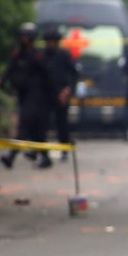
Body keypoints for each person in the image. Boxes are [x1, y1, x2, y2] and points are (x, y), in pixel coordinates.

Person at [0, 22, 54, 169]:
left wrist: (52, 96)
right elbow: (9, 70)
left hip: (37, 97)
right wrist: (0, 82)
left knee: (24, 127)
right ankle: (45, 157)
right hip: (23, 95)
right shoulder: (18, 54)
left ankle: (11, 157)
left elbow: (48, 76)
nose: (23, 39)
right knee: (36, 131)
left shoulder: (38, 55)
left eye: (25, 36)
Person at [41, 28, 79, 161]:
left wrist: (68, 90)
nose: (51, 44)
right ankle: (42, 152)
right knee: (43, 124)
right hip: (46, 94)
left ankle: (64, 150)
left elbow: (74, 74)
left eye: (53, 41)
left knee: (62, 123)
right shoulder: (42, 56)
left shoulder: (64, 55)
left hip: (62, 94)